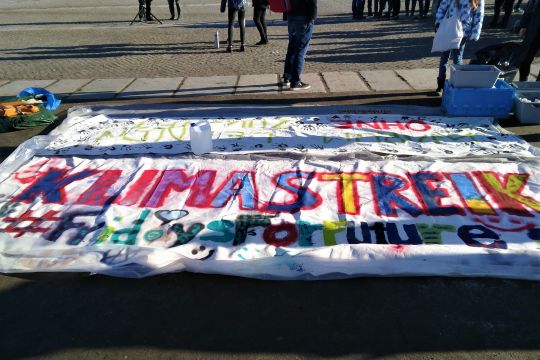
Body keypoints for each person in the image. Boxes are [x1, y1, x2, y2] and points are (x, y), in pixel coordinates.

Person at [434, 0, 484, 94]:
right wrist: (438, 22)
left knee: (457, 57)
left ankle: (458, 84)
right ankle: (441, 85)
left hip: (463, 32)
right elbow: (442, 7)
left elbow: (479, 15)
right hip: (449, 29)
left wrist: (475, 32)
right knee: (444, 57)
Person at [281, 0, 317, 90]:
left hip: (291, 15)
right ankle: (295, 81)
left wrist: (285, 14)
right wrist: (313, 16)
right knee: (300, 49)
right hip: (303, 16)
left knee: (292, 47)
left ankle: (287, 77)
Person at [513, 0, 540, 81]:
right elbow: (530, 7)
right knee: (525, 58)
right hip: (534, 29)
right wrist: (523, 25)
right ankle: (523, 82)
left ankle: (538, 86)